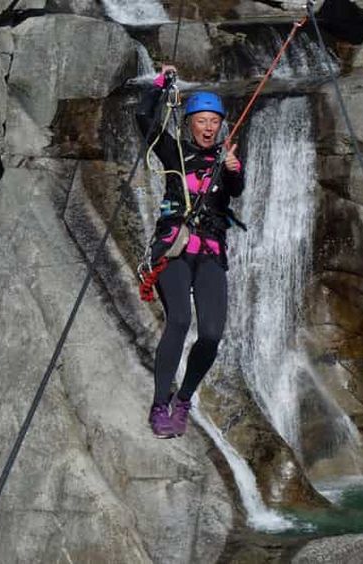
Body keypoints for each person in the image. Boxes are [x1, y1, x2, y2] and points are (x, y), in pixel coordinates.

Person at [135, 64, 245, 438]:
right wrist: (159, 85)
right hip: (175, 249)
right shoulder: (175, 154)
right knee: (180, 320)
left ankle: (183, 400)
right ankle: (158, 405)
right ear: (189, 124)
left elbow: (236, 188)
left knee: (211, 334)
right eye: (202, 121)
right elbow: (143, 118)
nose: (209, 127)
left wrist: (233, 169)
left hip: (211, 253)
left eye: (214, 121)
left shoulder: (226, 160)